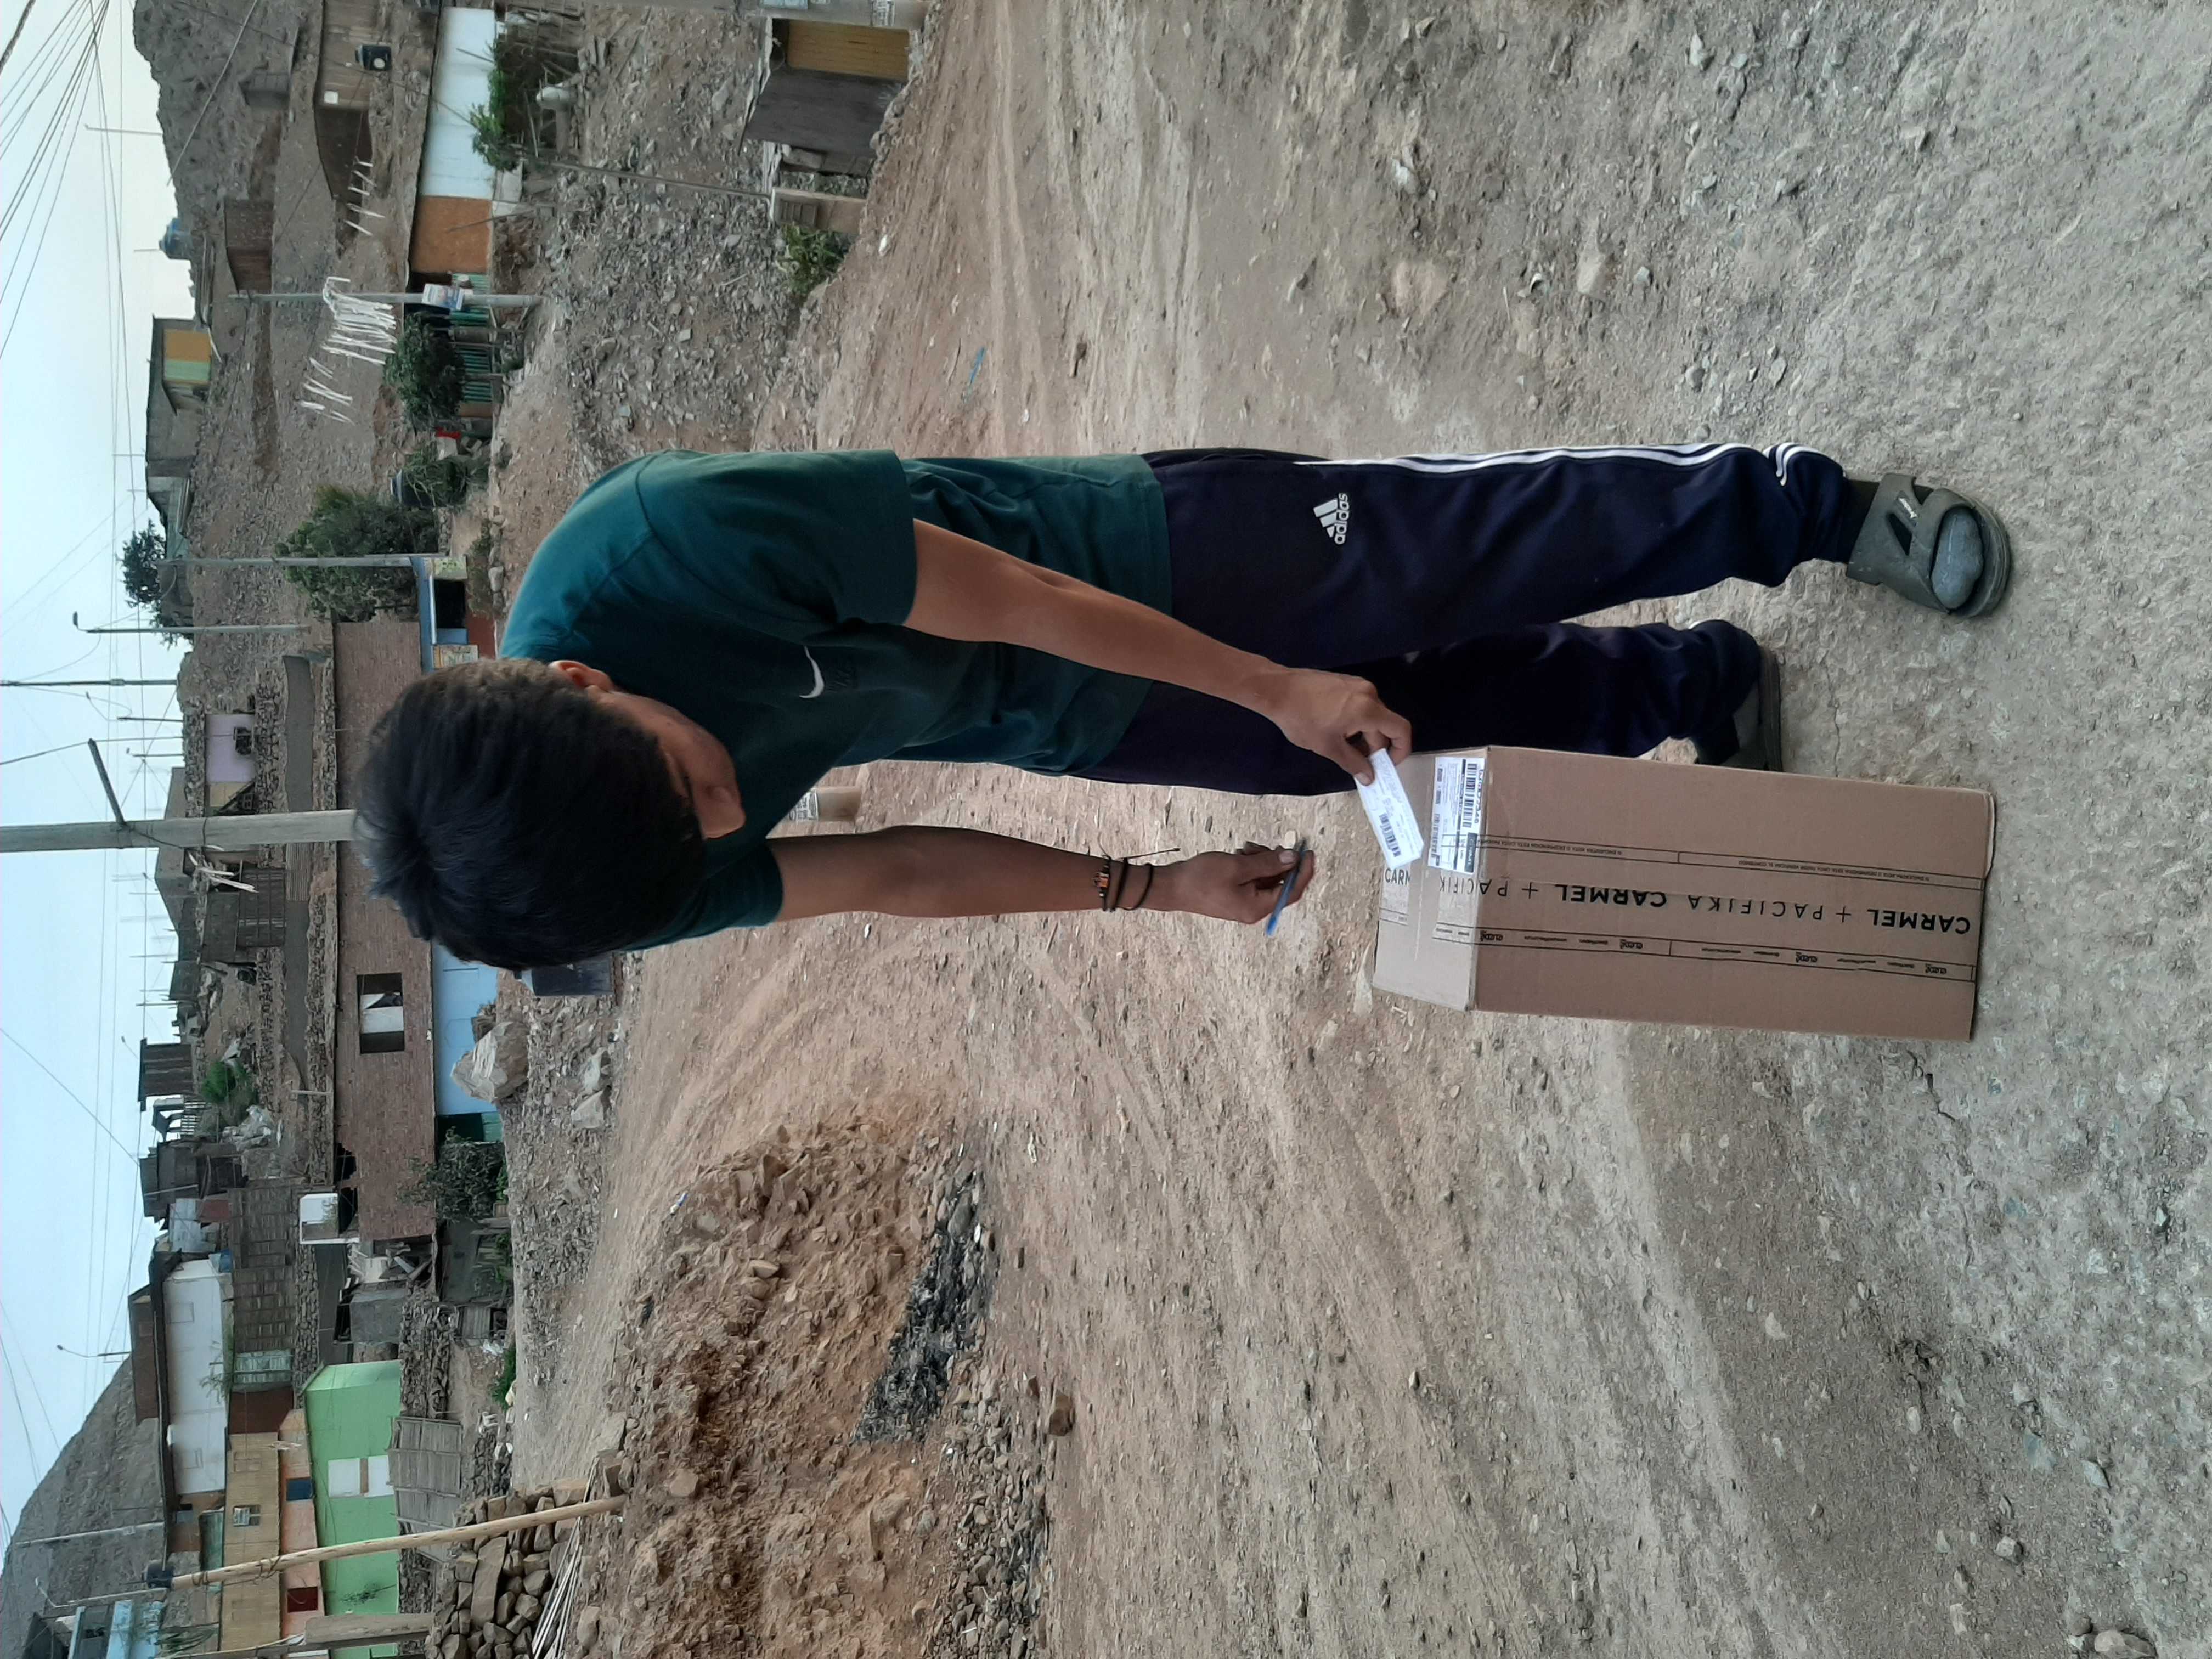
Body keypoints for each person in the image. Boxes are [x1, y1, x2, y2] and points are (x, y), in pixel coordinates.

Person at [357, 444, 2010, 969]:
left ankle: (1812, 509)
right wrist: (1151, 888)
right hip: (1064, 722)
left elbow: (1007, 596)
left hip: (1127, 558)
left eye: (690, 776)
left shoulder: (660, 548)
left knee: (1459, 558)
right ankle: (1695, 684)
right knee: (1393, 747)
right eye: (703, 830)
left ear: (580, 683)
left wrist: (1270, 681)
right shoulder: (612, 867)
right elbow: (892, 869)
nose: (728, 812)